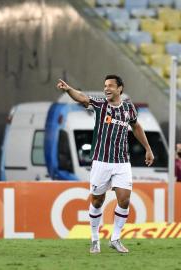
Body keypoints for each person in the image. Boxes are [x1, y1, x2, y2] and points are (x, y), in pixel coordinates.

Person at [56, 75, 154, 254]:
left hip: (122, 162)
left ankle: (115, 238)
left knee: (124, 200)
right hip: (101, 161)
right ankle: (95, 239)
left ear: (120, 89)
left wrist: (148, 148)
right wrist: (69, 89)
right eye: (105, 86)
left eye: (110, 86)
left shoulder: (128, 108)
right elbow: (83, 97)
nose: (106, 89)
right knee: (97, 200)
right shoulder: (101, 105)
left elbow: (136, 127)